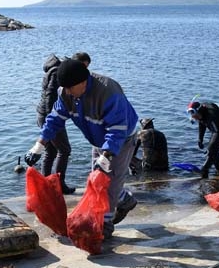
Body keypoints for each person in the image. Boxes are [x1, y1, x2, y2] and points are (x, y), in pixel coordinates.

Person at [25, 58, 139, 239]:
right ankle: (125, 199)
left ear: (84, 82)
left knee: (106, 183)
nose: (68, 92)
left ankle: (104, 228)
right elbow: (55, 119)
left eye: (71, 88)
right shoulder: (66, 92)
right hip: (98, 139)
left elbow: (117, 130)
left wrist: (106, 157)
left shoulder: (109, 93)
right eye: (65, 89)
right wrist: (39, 145)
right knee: (97, 180)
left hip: (122, 139)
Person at [35, 54, 75, 194]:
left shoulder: (51, 71)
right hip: (50, 115)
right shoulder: (57, 73)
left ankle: (45, 186)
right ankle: (59, 184)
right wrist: (51, 119)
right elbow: (50, 96)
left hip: (43, 114)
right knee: (64, 150)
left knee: (50, 151)